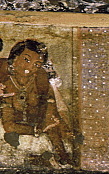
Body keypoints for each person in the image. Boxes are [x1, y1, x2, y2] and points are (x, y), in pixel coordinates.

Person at [0, 39, 71, 167]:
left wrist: (62, 154)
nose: (30, 67)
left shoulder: (40, 78)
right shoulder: (5, 81)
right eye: (26, 60)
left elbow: (50, 115)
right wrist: (37, 130)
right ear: (14, 59)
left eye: (37, 64)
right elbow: (8, 126)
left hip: (34, 132)